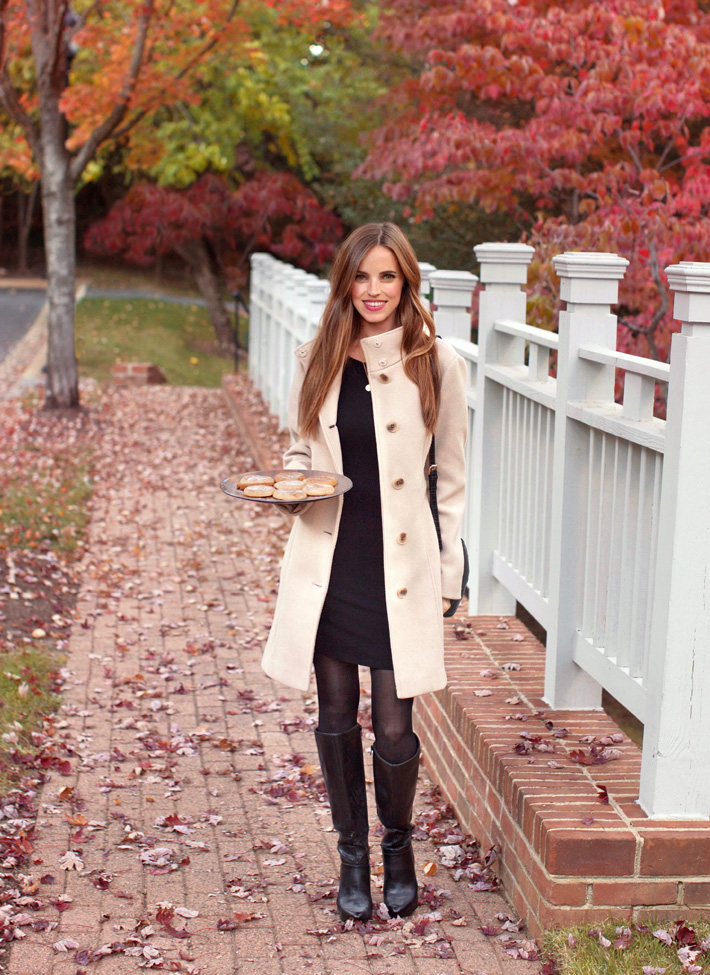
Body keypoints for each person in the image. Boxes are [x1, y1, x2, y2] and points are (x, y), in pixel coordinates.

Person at [261, 222, 468, 922]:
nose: (374, 291)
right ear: (345, 283)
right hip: (333, 558)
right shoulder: (316, 355)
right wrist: (291, 483)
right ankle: (352, 854)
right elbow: (301, 448)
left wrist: (448, 571)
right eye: (362, 277)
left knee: (395, 724)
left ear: (406, 281)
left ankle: (399, 847)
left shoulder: (435, 363)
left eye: (388, 277)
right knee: (333, 713)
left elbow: (453, 482)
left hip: (400, 569)